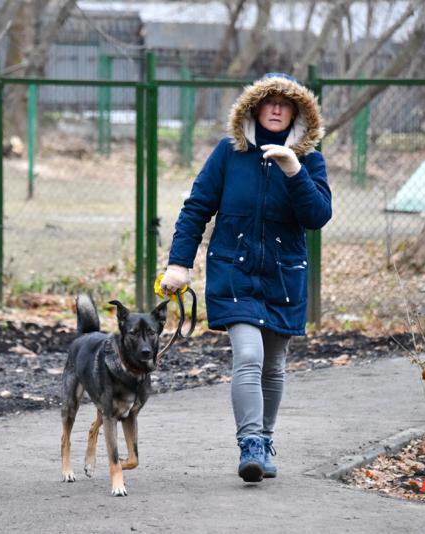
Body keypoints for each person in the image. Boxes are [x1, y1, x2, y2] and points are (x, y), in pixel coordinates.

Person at [159, 72, 332, 483]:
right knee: (250, 356)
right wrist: (179, 263)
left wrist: (294, 171)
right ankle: (251, 442)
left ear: (297, 111)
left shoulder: (310, 160)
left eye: (284, 103)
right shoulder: (228, 153)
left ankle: (266, 442)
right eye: (268, 101)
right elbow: (196, 208)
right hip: (233, 273)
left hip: (284, 276)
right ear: (254, 108)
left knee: (274, 365)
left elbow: (317, 216)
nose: (276, 108)